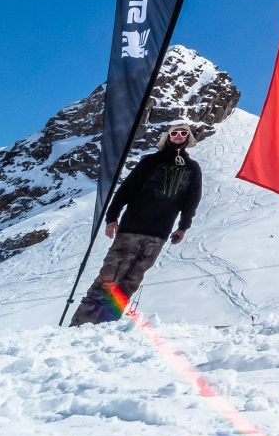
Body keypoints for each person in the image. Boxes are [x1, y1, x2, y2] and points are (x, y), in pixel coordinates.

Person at [70, 122, 202, 325]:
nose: (178, 136)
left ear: (188, 138)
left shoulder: (192, 169)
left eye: (183, 133)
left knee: (131, 282)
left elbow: (191, 202)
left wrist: (183, 227)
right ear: (168, 136)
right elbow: (126, 190)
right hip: (131, 229)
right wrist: (112, 218)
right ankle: (80, 324)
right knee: (109, 277)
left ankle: (105, 327)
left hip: (158, 235)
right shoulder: (150, 161)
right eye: (174, 132)